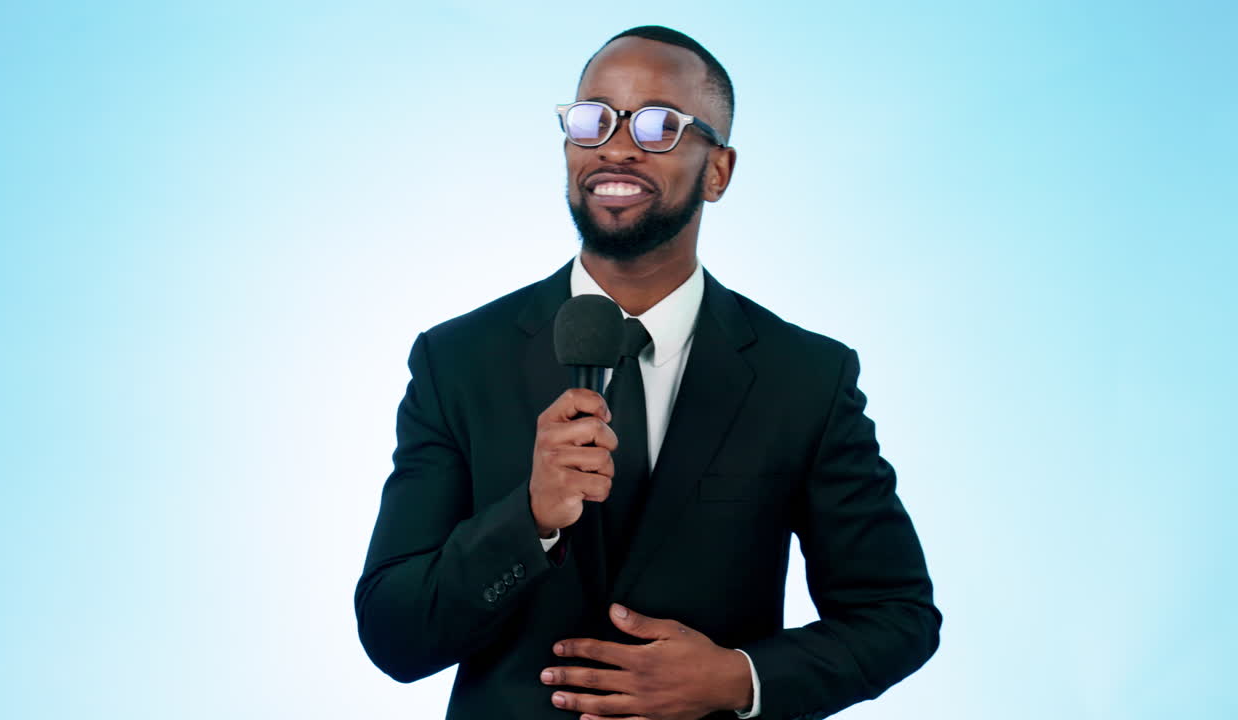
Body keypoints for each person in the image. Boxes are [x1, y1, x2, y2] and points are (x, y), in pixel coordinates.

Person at [355, 25, 940, 720]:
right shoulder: (457, 360)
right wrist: (531, 516)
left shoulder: (805, 377)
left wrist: (737, 679)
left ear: (717, 172)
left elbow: (897, 615)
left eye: (660, 124)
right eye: (594, 119)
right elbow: (394, 633)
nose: (617, 146)